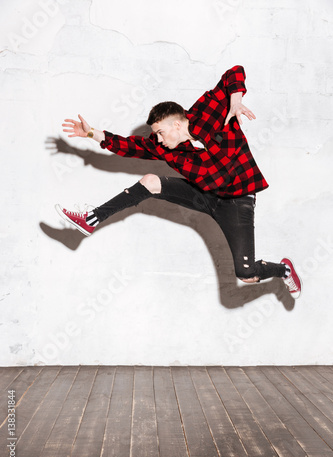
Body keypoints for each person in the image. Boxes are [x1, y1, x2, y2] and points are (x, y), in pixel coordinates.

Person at [56, 65, 302, 298]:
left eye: (161, 133)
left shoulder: (209, 112)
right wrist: (91, 133)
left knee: (246, 274)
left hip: (237, 202)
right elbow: (130, 146)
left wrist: (235, 102)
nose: (159, 140)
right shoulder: (165, 148)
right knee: (150, 181)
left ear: (176, 123)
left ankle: (285, 271)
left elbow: (234, 73)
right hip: (202, 195)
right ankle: (91, 218)